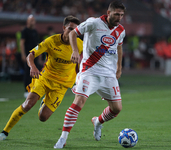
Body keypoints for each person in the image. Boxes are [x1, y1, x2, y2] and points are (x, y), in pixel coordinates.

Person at [54, 1, 126, 148]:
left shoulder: (121, 30)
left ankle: (98, 121)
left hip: (109, 74)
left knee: (117, 109)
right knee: (79, 102)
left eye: (122, 15)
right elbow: (73, 33)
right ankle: (63, 138)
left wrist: (119, 68)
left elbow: (119, 48)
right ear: (109, 13)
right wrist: (75, 51)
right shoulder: (93, 23)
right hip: (90, 71)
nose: (119, 17)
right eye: (116, 14)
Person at [0, 15, 83, 141]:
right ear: (63, 28)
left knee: (43, 117)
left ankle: (44, 102)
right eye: (70, 29)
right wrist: (32, 66)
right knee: (28, 104)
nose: (73, 33)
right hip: (45, 78)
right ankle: (4, 132)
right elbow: (31, 55)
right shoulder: (51, 41)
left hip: (62, 85)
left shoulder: (80, 45)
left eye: (76, 31)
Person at [20, 15, 39, 98]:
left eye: (33, 20)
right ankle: (26, 90)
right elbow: (22, 43)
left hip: (36, 56)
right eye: (31, 20)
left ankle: (34, 89)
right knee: (28, 72)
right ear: (27, 22)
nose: (33, 22)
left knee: (36, 72)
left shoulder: (35, 31)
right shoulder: (25, 31)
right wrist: (23, 54)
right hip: (28, 56)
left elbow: (38, 45)